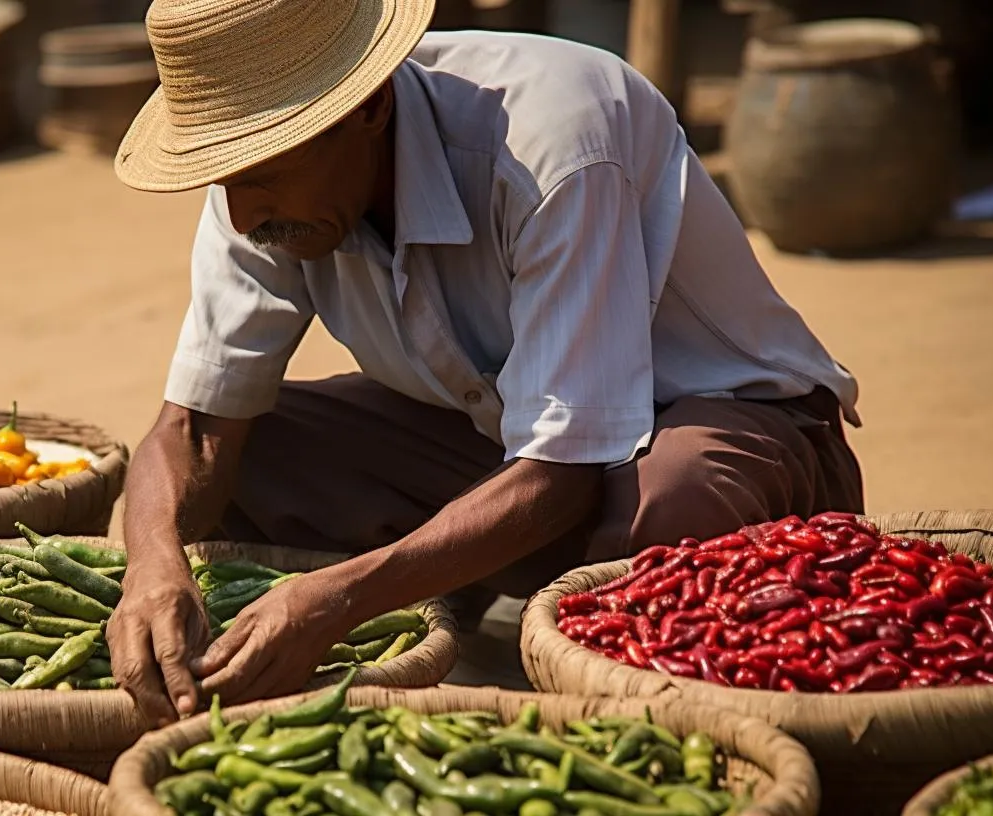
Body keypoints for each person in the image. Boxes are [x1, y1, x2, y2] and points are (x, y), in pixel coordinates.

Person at [105, 0, 864, 725]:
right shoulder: (260, 189)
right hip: (506, 449)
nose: (241, 213)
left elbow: (563, 469)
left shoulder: (551, 139)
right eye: (223, 178)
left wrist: (336, 598)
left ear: (366, 108)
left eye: (259, 173)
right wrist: (151, 567)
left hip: (732, 445)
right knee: (247, 454)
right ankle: (471, 610)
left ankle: (604, 689)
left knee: (669, 499)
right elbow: (195, 430)